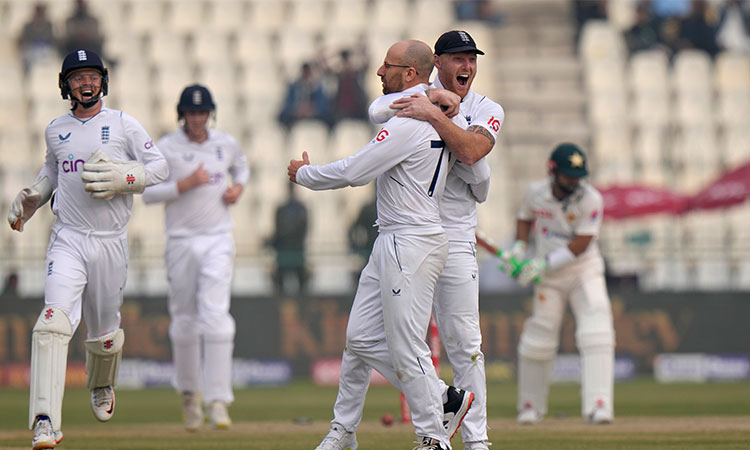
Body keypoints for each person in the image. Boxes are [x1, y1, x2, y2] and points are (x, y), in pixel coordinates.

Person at [290, 40, 472, 450]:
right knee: (359, 340)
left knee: (407, 346)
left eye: (386, 66)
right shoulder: (416, 106)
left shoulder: (410, 122)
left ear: (408, 73)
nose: (378, 72)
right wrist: (429, 93)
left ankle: (432, 436)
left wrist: (305, 174)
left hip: (410, 240)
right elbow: (376, 108)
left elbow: (355, 171)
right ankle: (434, 402)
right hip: (395, 237)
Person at [348, 30, 504, 450]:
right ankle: (428, 424)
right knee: (387, 340)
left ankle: (476, 441)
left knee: (464, 343)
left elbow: (473, 157)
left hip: (455, 232)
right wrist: (433, 104)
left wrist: (438, 117)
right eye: (456, 59)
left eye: (471, 58)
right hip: (411, 232)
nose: (466, 67)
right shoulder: (419, 94)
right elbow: (377, 107)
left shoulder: (488, 107)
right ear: (437, 63)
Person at [7, 48, 168, 450]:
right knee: (50, 323)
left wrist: (123, 178)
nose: (86, 83)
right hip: (69, 238)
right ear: (66, 85)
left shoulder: (123, 124)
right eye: (77, 77)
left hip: (110, 241)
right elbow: (52, 171)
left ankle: (101, 383)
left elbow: (161, 167)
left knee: (104, 334)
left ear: (103, 80)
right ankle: (45, 421)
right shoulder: (55, 129)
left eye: (92, 76)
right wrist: (32, 198)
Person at [142, 84, 249, 431]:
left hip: (218, 238)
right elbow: (147, 193)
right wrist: (181, 186)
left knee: (216, 315)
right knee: (185, 319)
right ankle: (190, 395)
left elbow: (242, 168)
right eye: (192, 113)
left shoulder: (225, 144)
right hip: (181, 240)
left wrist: (238, 188)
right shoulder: (167, 148)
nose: (198, 119)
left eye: (203, 113)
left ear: (210, 114)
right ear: (182, 115)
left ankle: (218, 400)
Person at [499, 143, 615, 426]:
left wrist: (540, 264)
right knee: (539, 336)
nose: (574, 182)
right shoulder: (536, 193)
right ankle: (530, 406)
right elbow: (524, 218)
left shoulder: (591, 199)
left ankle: (599, 405)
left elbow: (581, 244)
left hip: (583, 271)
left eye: (577, 176)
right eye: (567, 176)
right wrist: (519, 248)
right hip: (549, 280)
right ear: (553, 172)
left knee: (597, 331)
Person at [269, 182, 309, 296]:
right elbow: (277, 230)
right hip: (284, 251)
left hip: (297, 250)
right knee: (279, 283)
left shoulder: (301, 209)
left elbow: (304, 230)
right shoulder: (282, 209)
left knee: (302, 283)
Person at [278, 62, 333, 130]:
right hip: (296, 115)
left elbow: (323, 103)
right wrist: (297, 109)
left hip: (314, 114)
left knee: (330, 118)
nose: (306, 74)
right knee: (283, 118)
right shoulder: (294, 86)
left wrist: (312, 109)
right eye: (305, 72)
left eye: (308, 72)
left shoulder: (317, 87)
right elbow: (288, 102)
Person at [16, 2, 57, 73]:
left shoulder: (49, 25)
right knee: (27, 58)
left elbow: (52, 39)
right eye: (38, 11)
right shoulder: (28, 25)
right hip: (31, 50)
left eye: (41, 11)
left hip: (46, 49)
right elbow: (23, 39)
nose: (39, 13)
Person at [347, 193, 377, 281]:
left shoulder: (393, 208)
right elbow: (353, 228)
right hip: (370, 249)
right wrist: (355, 246)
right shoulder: (368, 209)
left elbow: (353, 228)